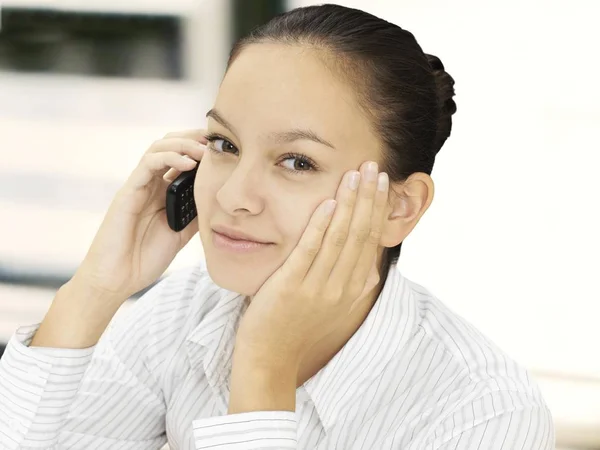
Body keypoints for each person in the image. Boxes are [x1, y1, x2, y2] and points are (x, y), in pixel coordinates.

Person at [0, 4, 554, 450]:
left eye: (297, 162)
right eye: (225, 144)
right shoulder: (179, 315)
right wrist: (95, 289)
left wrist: (264, 367)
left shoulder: (485, 417)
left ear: (398, 208)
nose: (235, 197)